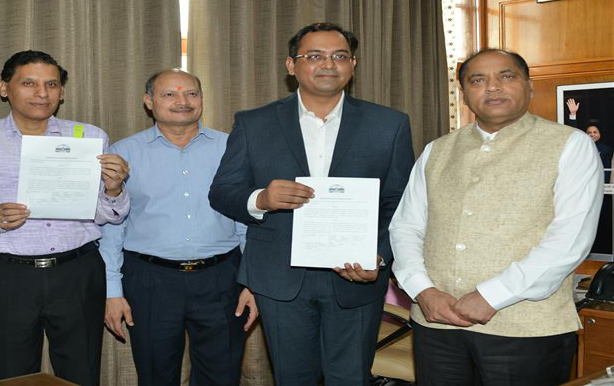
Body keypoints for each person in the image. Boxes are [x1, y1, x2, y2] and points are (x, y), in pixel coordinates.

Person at [209, 22, 414, 385]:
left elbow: (399, 201)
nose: (328, 64)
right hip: (280, 278)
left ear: (353, 64)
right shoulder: (254, 123)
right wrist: (261, 199)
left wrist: (379, 257)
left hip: (356, 276)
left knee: (351, 378)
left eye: (340, 56)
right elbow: (223, 191)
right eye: (315, 56)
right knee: (292, 378)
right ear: (292, 65)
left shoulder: (389, 124)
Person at [390, 49, 603, 386]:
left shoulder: (570, 145)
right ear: (464, 94)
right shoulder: (437, 150)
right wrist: (423, 291)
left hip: (525, 329)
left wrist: (492, 295)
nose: (492, 87)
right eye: (478, 80)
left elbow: (570, 240)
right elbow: (406, 226)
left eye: (506, 76)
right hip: (437, 325)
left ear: (529, 86)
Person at [0, 50, 130, 385]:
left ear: (62, 92)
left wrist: (114, 189)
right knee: (15, 374)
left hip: (78, 271)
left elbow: (108, 216)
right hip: (9, 275)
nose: (42, 93)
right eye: (29, 83)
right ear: (4, 88)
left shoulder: (89, 137)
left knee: (82, 372)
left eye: (51, 84)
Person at [100, 69, 257, 386]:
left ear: (202, 99)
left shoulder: (232, 148)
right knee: (155, 375)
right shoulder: (123, 152)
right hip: (150, 280)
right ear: (148, 101)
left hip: (222, 278)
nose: (182, 101)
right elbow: (111, 228)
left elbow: (248, 221)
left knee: (222, 376)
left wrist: (253, 281)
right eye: (169, 94)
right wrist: (112, 292)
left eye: (191, 93)